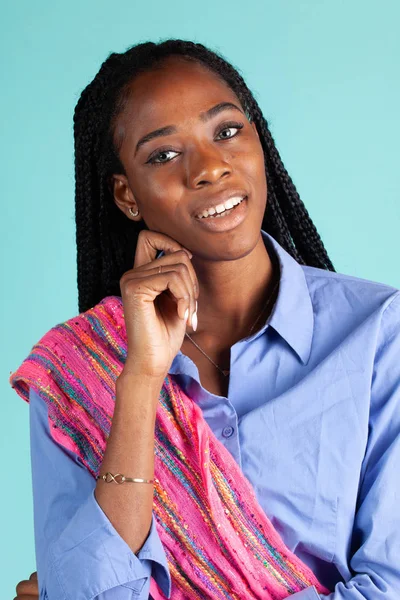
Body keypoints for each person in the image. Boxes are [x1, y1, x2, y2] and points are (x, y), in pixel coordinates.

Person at [10, 38, 400, 600]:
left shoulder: (378, 335)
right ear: (126, 195)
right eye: (164, 155)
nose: (210, 168)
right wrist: (140, 381)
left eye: (226, 132)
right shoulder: (77, 374)